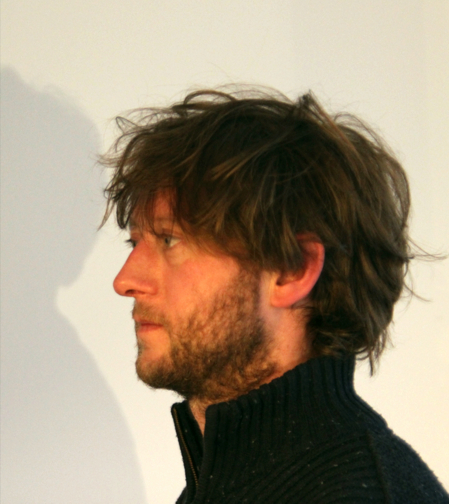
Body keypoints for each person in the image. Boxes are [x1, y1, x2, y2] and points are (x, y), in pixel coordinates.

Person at [102, 88, 448, 503]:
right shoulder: (231, 481)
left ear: (292, 270)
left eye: (169, 240)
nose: (125, 281)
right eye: (134, 243)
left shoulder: (355, 494)